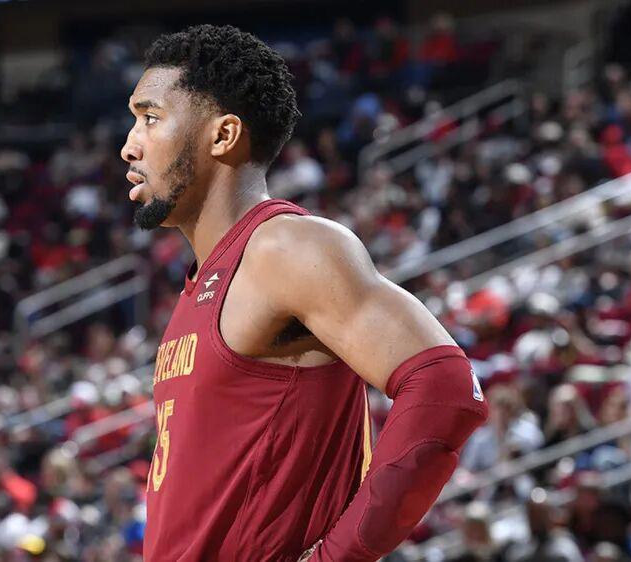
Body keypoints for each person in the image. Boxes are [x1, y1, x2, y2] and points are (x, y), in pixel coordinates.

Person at [120, 25, 488, 561]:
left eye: (150, 118)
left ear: (223, 136)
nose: (129, 145)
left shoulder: (286, 247)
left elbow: (445, 388)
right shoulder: (202, 283)